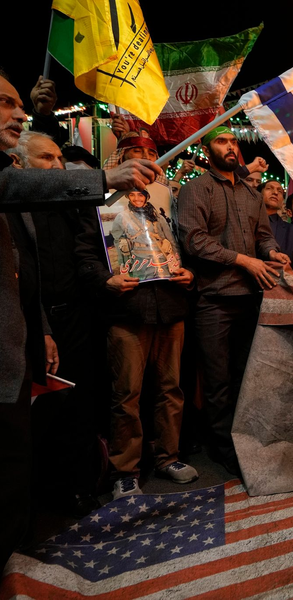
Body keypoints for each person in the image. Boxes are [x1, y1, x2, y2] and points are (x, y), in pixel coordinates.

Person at [0, 70, 161, 570]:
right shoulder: (18, 189)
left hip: (50, 327)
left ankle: (64, 497)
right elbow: (21, 184)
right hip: (25, 341)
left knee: (70, 415)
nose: (18, 112)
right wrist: (104, 175)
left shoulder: (44, 197)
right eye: (5, 103)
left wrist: (40, 326)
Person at [76, 166, 199, 501]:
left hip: (171, 307)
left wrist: (189, 272)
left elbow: (183, 246)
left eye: (150, 154)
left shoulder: (166, 201)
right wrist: (105, 279)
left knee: (171, 389)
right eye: (137, 155)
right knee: (126, 395)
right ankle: (125, 471)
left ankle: (168, 458)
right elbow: (86, 252)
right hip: (127, 310)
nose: (145, 162)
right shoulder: (103, 202)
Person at [177, 126, 289, 476]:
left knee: (247, 375)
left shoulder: (251, 194)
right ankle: (224, 447)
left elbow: (263, 236)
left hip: (251, 296)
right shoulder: (195, 189)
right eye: (222, 141)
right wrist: (244, 260)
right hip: (214, 299)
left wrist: (272, 252)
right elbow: (194, 241)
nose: (230, 147)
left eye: (233, 142)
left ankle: (246, 440)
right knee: (218, 380)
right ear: (206, 147)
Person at [6, 131, 103, 516]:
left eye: (60, 158)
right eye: (47, 159)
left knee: (80, 404)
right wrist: (43, 329)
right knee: (41, 414)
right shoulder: (15, 208)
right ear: (23, 165)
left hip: (78, 315)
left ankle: (80, 487)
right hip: (35, 323)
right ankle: (41, 495)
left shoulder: (70, 205)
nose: (58, 166)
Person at [261, 180, 293, 274]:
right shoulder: (247, 222)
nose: (275, 192)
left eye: (280, 191)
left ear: (282, 202)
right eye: (269, 188)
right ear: (258, 195)